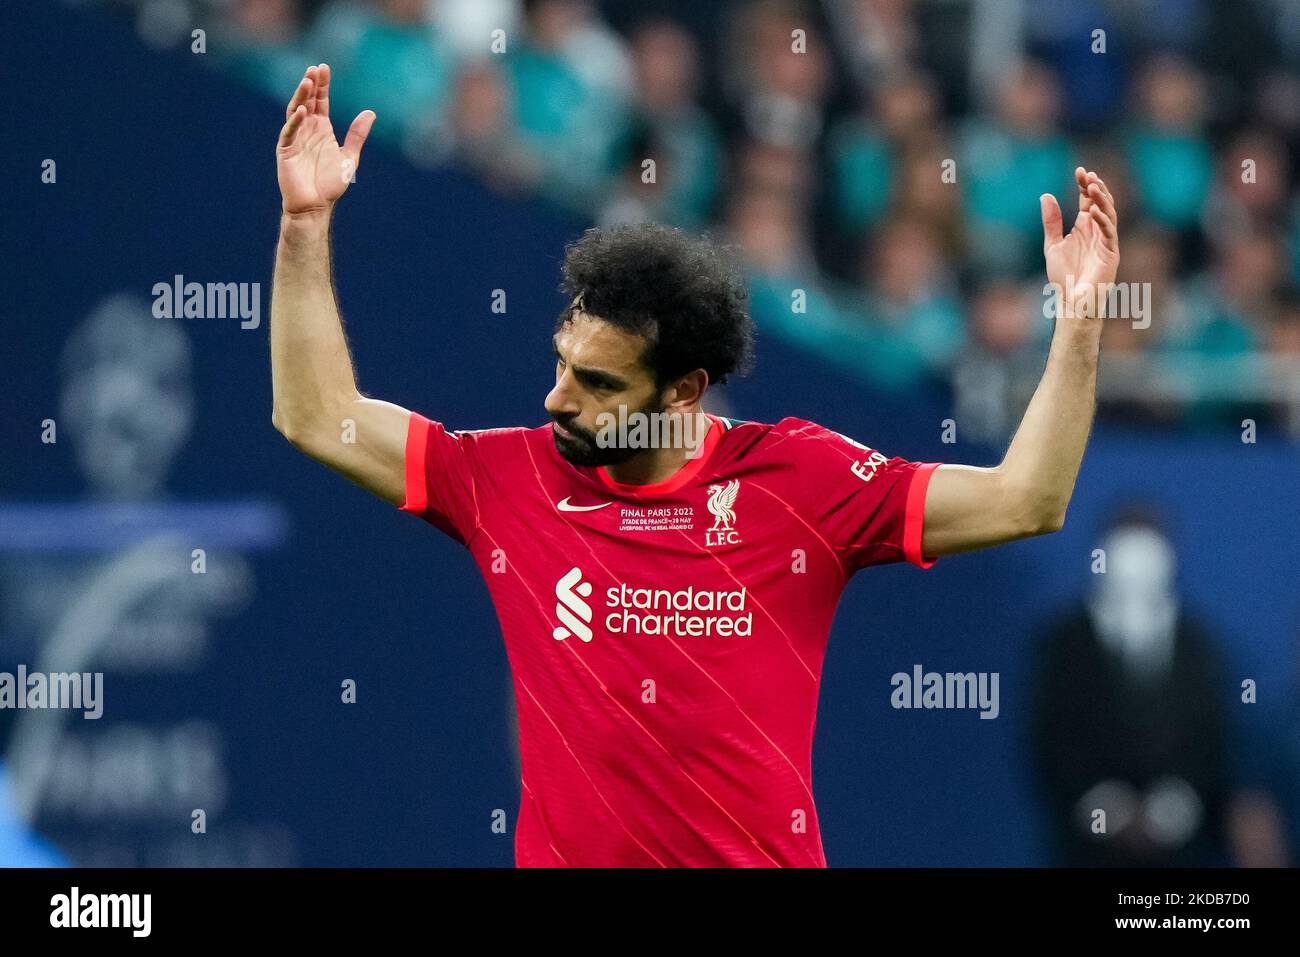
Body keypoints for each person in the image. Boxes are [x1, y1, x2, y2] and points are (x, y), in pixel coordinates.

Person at [269, 64, 1120, 866]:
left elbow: (1027, 499)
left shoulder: (803, 482)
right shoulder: (504, 479)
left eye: (597, 383)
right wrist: (304, 227)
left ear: (684, 392)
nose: (556, 401)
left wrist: (1079, 325)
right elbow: (318, 414)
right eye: (562, 364)